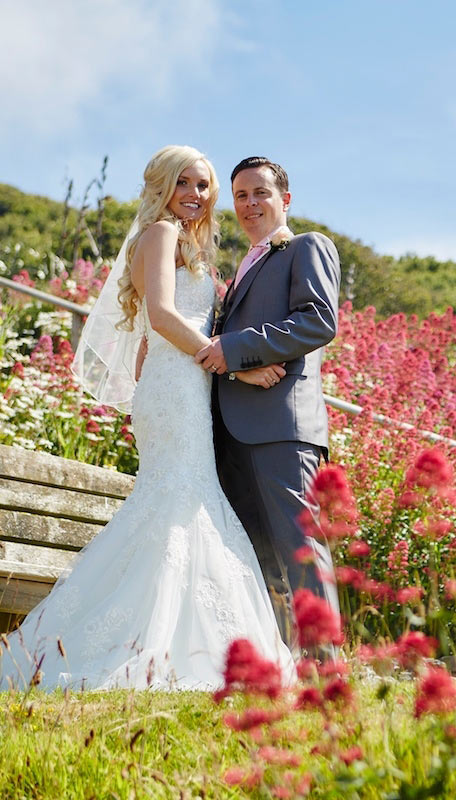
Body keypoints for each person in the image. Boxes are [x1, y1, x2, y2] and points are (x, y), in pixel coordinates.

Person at [0, 146, 294, 690]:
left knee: (177, 502)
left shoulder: (180, 242)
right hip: (177, 388)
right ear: (162, 187)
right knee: (179, 501)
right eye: (183, 182)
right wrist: (234, 365)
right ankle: (160, 642)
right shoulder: (162, 234)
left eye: (203, 185)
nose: (195, 194)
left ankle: (182, 634)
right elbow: (163, 314)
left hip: (180, 382)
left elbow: (153, 325)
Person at [194, 157, 340, 658]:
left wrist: (234, 349)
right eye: (240, 195)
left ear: (286, 199)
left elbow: (317, 322)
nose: (250, 204)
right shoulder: (243, 269)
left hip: (282, 427)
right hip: (232, 432)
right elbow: (222, 348)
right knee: (256, 558)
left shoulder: (305, 247)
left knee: (300, 549)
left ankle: (326, 666)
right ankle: (280, 662)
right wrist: (233, 363)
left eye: (260, 193)